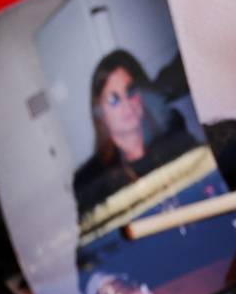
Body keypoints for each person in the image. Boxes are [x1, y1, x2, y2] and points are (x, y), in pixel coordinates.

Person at [72, 50, 201, 213]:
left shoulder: (176, 141)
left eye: (131, 91)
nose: (126, 103)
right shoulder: (92, 183)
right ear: (100, 114)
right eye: (114, 99)